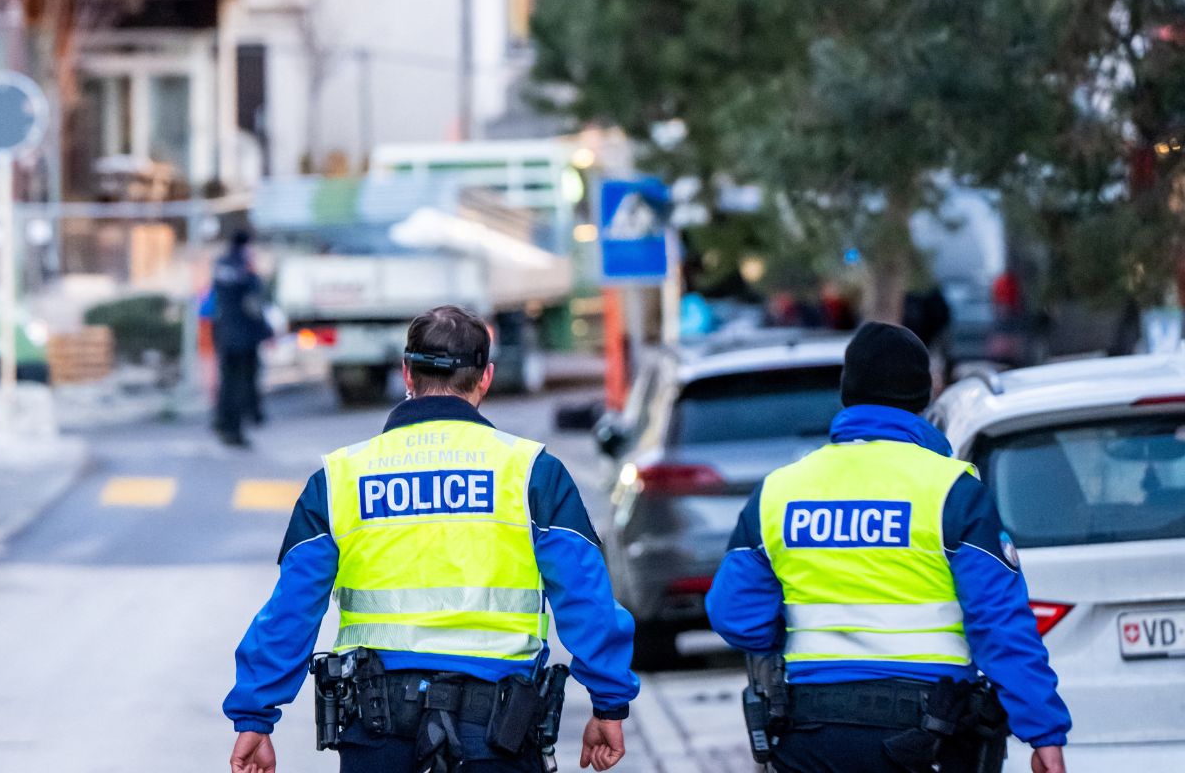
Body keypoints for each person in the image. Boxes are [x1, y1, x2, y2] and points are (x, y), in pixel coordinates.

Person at [224, 305, 638, 773]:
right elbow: (588, 599)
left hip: (378, 736)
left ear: (406, 374)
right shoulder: (531, 473)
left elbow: (292, 610)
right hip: (496, 737)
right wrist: (608, 702)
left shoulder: (341, 477)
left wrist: (255, 717)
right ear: (485, 378)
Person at [705, 322, 1070, 773]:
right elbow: (999, 623)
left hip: (813, 733)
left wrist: (793, 632)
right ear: (924, 396)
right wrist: (1043, 732)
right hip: (931, 732)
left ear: (848, 392)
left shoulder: (781, 491)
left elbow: (733, 614)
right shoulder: (950, 491)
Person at [211, 227, 272, 448]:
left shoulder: (222, 264)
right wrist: (266, 329)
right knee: (242, 384)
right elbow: (253, 304)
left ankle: (222, 421)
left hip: (225, 334)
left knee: (227, 383)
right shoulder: (246, 270)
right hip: (244, 337)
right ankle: (234, 431)